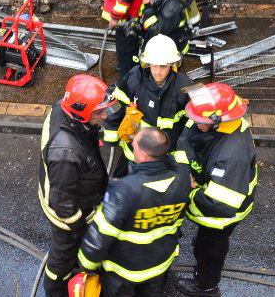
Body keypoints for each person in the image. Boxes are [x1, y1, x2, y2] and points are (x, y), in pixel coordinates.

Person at [77, 127, 191, 296]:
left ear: (143, 154)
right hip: (159, 266)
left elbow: (101, 234)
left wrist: (85, 264)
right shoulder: (182, 180)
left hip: (123, 273)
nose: (132, 148)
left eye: (135, 146)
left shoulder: (124, 190)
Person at [39, 74, 122, 297]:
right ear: (80, 112)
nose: (104, 116)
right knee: (61, 259)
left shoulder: (62, 109)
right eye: (99, 112)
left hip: (66, 194)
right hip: (66, 217)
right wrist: (79, 227)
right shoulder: (66, 153)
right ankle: (55, 289)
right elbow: (63, 204)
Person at [173, 83, 258, 297]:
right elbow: (186, 139)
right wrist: (184, 172)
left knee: (211, 247)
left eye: (201, 121)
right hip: (211, 187)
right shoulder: (210, 119)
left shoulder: (232, 153)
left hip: (224, 211)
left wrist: (185, 195)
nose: (195, 122)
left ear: (218, 122)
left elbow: (219, 204)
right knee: (203, 243)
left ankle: (206, 287)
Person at [103, 34, 194, 178]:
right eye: (154, 65)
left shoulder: (184, 87)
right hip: (134, 150)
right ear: (147, 63)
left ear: (172, 64)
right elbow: (115, 103)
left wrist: (184, 159)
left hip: (165, 155)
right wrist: (112, 136)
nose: (158, 71)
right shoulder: (134, 77)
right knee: (121, 182)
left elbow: (192, 125)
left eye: (163, 66)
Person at [136, 0, 200, 57]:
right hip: (159, 45)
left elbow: (157, 31)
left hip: (172, 51)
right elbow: (145, 20)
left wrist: (147, 7)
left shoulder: (171, 6)